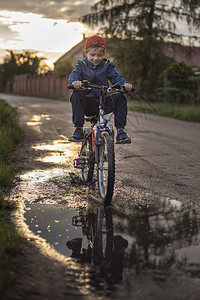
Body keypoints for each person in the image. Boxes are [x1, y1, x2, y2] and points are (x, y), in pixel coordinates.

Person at [68, 35, 133, 144]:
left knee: (120, 97)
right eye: (92, 55)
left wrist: (124, 84)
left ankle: (121, 131)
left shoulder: (107, 65)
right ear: (86, 53)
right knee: (76, 94)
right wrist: (75, 82)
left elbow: (115, 77)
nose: (96, 58)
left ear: (104, 54)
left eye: (100, 55)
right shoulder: (81, 64)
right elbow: (74, 75)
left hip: (103, 103)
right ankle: (78, 129)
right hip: (87, 104)